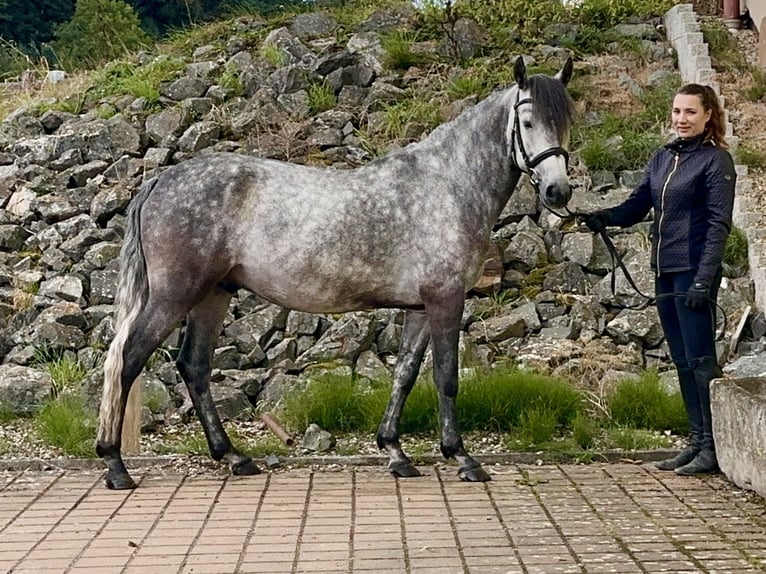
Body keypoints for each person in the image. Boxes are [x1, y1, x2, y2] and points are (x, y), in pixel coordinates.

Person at [582, 83, 736, 475]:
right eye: (676, 111)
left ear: (707, 116)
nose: (681, 119)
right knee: (683, 361)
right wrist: (607, 216)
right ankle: (696, 441)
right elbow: (638, 204)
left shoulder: (716, 162)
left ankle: (714, 448)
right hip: (665, 270)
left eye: (690, 112)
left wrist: (704, 279)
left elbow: (719, 225)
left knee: (702, 360)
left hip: (694, 271)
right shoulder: (663, 158)